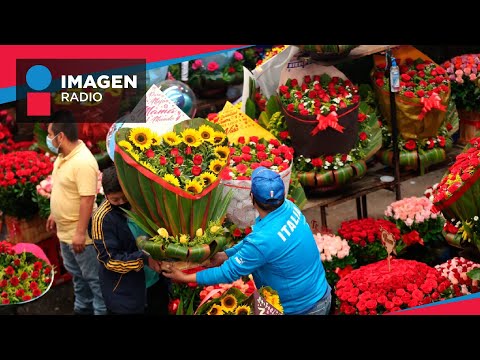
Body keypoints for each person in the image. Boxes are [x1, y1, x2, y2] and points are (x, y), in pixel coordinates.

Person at [161, 166, 331, 315]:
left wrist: (183, 277)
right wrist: (225, 255)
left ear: (252, 197)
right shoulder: (288, 208)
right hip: (318, 293)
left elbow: (228, 273)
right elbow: (255, 243)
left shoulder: (263, 241)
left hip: (299, 309)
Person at [46, 110, 107, 315]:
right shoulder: (64, 157)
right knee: (78, 276)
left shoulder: (82, 161)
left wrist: (81, 232)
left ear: (60, 136)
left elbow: (87, 198)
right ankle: (82, 308)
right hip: (66, 232)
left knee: (94, 280)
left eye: (50, 134)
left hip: (81, 236)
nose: (48, 139)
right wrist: (54, 213)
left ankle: (99, 310)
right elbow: (62, 188)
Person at [88, 166, 169, 315]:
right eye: (115, 199)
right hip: (125, 292)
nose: (120, 202)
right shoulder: (102, 219)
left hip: (156, 282)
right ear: (105, 195)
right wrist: (144, 259)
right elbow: (109, 260)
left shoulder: (141, 202)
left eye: (124, 197)